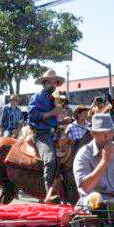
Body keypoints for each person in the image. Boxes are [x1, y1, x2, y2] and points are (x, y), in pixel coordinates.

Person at [73, 113, 114, 209]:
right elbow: (85, 188)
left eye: (110, 132)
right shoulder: (84, 154)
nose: (107, 137)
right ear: (93, 133)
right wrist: (104, 161)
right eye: (103, 133)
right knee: (95, 198)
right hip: (91, 203)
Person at [28, 69, 67, 202]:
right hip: (41, 134)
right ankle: (48, 192)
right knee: (50, 160)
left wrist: (62, 117)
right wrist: (52, 113)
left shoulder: (56, 98)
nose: (52, 84)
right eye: (49, 82)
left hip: (55, 133)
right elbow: (32, 115)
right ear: (44, 83)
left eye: (55, 82)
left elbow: (58, 117)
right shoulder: (37, 97)